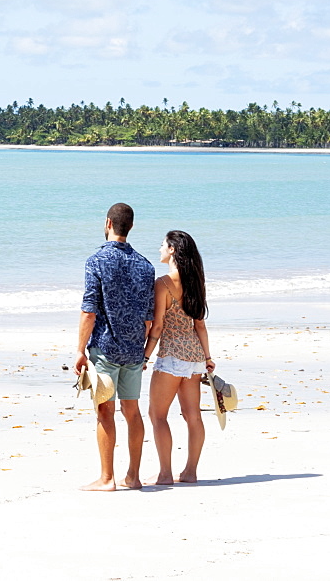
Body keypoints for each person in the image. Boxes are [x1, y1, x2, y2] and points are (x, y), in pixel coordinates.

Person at [75, 203, 155, 491]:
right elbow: (149, 316)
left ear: (108, 223)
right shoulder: (146, 265)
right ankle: (133, 476)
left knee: (104, 411)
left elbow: (89, 311)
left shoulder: (96, 261)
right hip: (134, 350)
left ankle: (107, 478)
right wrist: (143, 350)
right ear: (130, 226)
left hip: (106, 349)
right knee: (132, 411)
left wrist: (80, 350)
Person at [143, 230, 213, 485]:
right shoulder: (196, 281)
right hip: (194, 356)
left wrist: (145, 356)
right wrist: (207, 357)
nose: (160, 248)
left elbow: (158, 327)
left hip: (172, 355)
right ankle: (190, 472)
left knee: (157, 415)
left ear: (172, 249)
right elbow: (200, 325)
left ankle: (164, 474)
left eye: (163, 245)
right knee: (192, 415)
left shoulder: (163, 283)